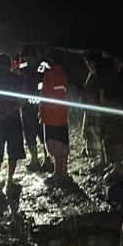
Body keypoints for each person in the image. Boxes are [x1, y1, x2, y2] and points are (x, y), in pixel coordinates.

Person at [0, 53, 26, 194]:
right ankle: (9, 179)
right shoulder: (18, 79)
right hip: (13, 118)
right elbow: (24, 98)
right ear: (10, 64)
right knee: (13, 150)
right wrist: (11, 109)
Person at [39, 52, 72, 184]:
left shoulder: (50, 76)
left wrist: (42, 112)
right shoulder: (63, 75)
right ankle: (63, 171)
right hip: (62, 116)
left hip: (51, 116)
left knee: (55, 145)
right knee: (63, 145)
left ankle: (58, 173)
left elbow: (46, 97)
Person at [14, 48, 49, 172]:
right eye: (26, 56)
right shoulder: (22, 69)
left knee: (43, 133)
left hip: (41, 105)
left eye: (30, 56)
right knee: (29, 134)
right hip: (28, 106)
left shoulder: (43, 68)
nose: (28, 59)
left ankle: (47, 158)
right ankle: (35, 159)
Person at [79, 50, 104, 161]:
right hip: (90, 109)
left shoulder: (99, 75)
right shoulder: (91, 74)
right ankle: (99, 159)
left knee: (98, 135)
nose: (88, 65)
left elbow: (99, 92)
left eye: (89, 62)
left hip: (95, 109)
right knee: (92, 135)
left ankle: (103, 160)